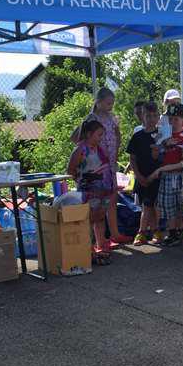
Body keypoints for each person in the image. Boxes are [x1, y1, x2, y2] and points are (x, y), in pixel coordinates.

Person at [71, 87, 130, 247]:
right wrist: (89, 151)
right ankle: (98, 240)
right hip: (96, 167)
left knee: (111, 197)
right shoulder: (91, 118)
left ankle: (114, 234)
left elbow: (117, 134)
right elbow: (75, 137)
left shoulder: (112, 117)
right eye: (108, 103)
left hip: (110, 163)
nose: (111, 106)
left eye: (112, 103)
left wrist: (115, 151)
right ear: (98, 102)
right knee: (97, 201)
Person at [67, 119, 113, 264]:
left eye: (102, 135)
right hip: (89, 190)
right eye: (99, 135)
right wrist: (83, 181)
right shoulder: (80, 150)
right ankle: (89, 249)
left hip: (103, 189)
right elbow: (70, 170)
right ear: (89, 134)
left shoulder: (99, 149)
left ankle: (102, 246)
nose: (101, 138)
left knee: (100, 217)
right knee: (89, 219)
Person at [126, 102, 163, 246]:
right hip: (141, 176)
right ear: (143, 116)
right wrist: (138, 175)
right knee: (146, 205)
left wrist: (157, 153)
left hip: (157, 176)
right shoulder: (137, 136)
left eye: (154, 116)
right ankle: (147, 231)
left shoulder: (162, 135)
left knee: (153, 205)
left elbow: (163, 156)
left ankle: (149, 231)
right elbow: (132, 158)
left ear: (158, 117)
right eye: (148, 116)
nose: (151, 119)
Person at [157, 103, 183, 247]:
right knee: (169, 205)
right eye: (170, 118)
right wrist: (164, 145)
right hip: (167, 174)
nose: (172, 121)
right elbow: (155, 152)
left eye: (176, 118)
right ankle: (172, 232)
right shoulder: (163, 133)